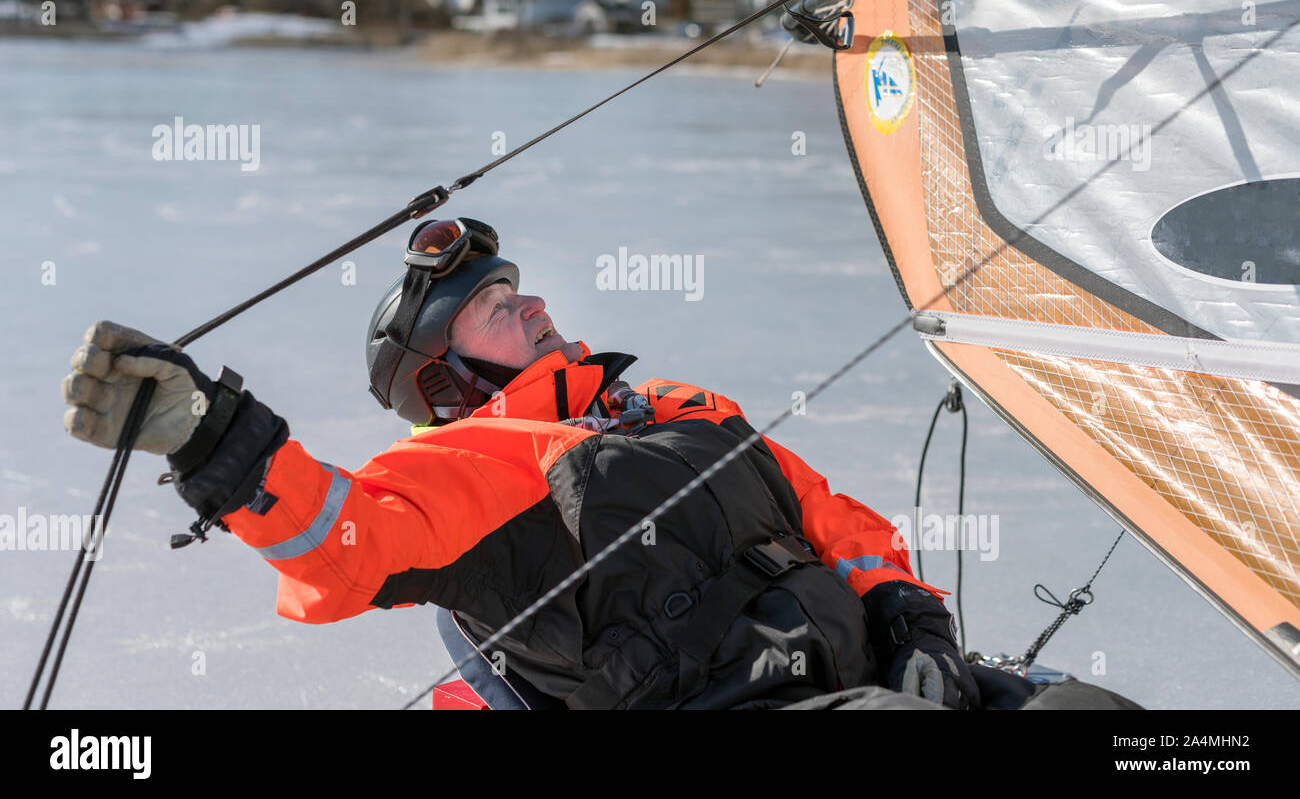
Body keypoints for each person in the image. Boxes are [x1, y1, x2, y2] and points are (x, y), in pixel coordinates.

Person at [61, 216, 1138, 710]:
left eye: (518, 286)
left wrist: (916, 620)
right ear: (441, 376)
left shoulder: (677, 407)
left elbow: (836, 519)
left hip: (880, 667)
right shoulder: (474, 459)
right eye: (490, 306)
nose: (529, 301)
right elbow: (342, 545)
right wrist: (213, 440)